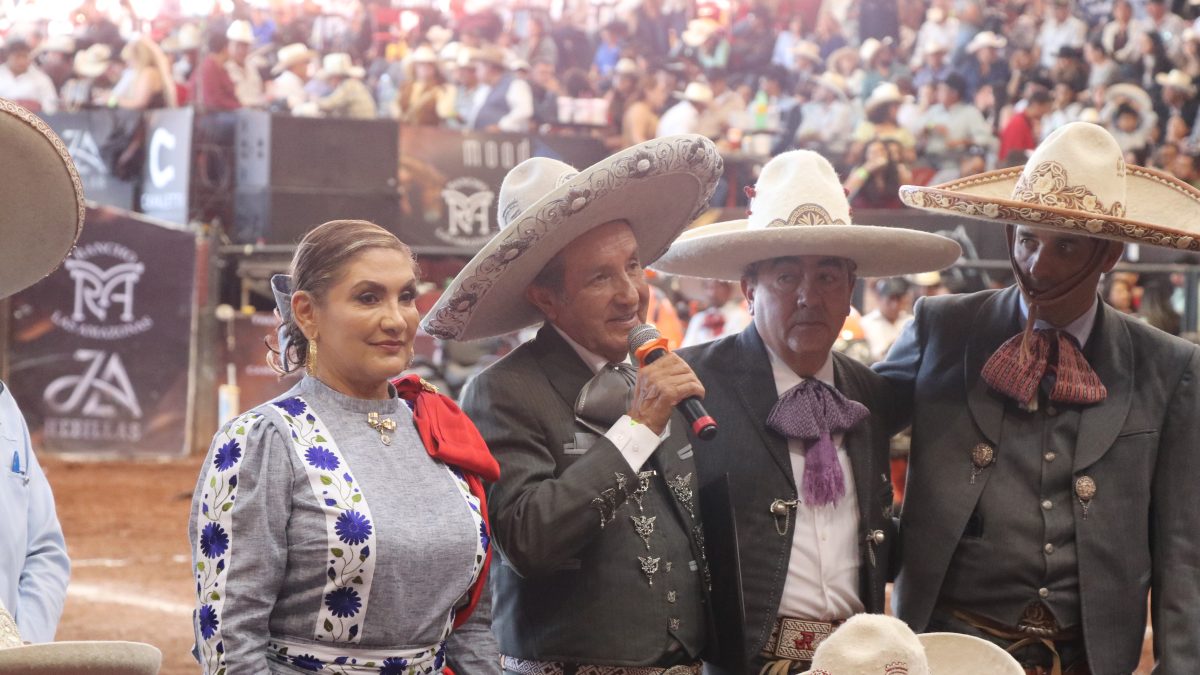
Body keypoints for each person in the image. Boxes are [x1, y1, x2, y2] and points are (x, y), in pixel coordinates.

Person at [886, 122, 1200, 673]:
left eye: (1067, 245)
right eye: (1028, 240)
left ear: (1109, 255)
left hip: (1090, 655)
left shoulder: (1168, 365)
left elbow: (1181, 547)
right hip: (949, 646)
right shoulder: (943, 326)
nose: (1038, 264)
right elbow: (851, 414)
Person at [421, 135, 724, 674]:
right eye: (600, 277)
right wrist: (639, 426)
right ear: (545, 297)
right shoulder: (501, 391)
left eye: (633, 266)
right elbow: (528, 542)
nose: (631, 293)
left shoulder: (658, 376)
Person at [652, 150, 961, 674]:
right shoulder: (691, 386)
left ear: (849, 293)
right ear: (749, 290)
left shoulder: (869, 394)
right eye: (786, 277)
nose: (807, 297)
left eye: (826, 278)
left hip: (861, 661)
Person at [189, 219, 500, 673]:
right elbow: (229, 639)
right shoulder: (264, 440)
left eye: (407, 296)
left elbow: (472, 626)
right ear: (307, 312)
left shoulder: (438, 427)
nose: (396, 320)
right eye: (368, 297)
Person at [469, 45, 533, 132]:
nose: (476, 72)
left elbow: (524, 110)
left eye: (479, 67)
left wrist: (501, 126)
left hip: (505, 141)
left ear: (489, 68)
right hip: (479, 139)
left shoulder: (515, 84)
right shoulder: (484, 89)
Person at [681, 279, 751, 348]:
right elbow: (686, 347)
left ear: (729, 289)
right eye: (707, 287)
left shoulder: (741, 316)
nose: (712, 293)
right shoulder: (698, 319)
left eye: (717, 287)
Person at [111, 38, 177, 109]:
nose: (128, 64)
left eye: (130, 59)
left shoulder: (148, 72)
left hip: (152, 117)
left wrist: (113, 101)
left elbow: (140, 103)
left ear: (139, 57)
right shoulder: (154, 71)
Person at [861, 278, 915, 362]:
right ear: (880, 298)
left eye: (899, 299)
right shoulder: (865, 323)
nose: (895, 305)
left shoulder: (911, 322)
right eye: (890, 299)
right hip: (873, 370)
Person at [0, 39, 58, 114]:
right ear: (8, 57)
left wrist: (35, 107)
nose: (21, 61)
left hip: (32, 121)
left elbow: (51, 107)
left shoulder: (42, 79)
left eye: (24, 56)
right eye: (17, 57)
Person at [395, 46, 448, 126]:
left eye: (429, 65)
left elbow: (443, 112)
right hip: (405, 130)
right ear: (414, 67)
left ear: (435, 68)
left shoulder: (440, 89)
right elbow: (396, 104)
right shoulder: (405, 86)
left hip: (428, 133)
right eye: (421, 64)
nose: (425, 68)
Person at [312, 53, 377, 119]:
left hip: (360, 126)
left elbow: (329, 104)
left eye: (329, 79)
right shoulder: (353, 84)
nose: (329, 83)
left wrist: (314, 100)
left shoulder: (349, 86)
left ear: (335, 77)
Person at [190, 32, 240, 112]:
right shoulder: (209, 68)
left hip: (221, 110)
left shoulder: (219, 66)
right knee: (245, 115)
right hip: (212, 114)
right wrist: (239, 106)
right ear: (225, 49)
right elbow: (214, 101)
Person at [268, 42, 314, 113]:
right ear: (295, 65)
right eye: (305, 62)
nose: (307, 66)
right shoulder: (286, 81)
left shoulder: (295, 80)